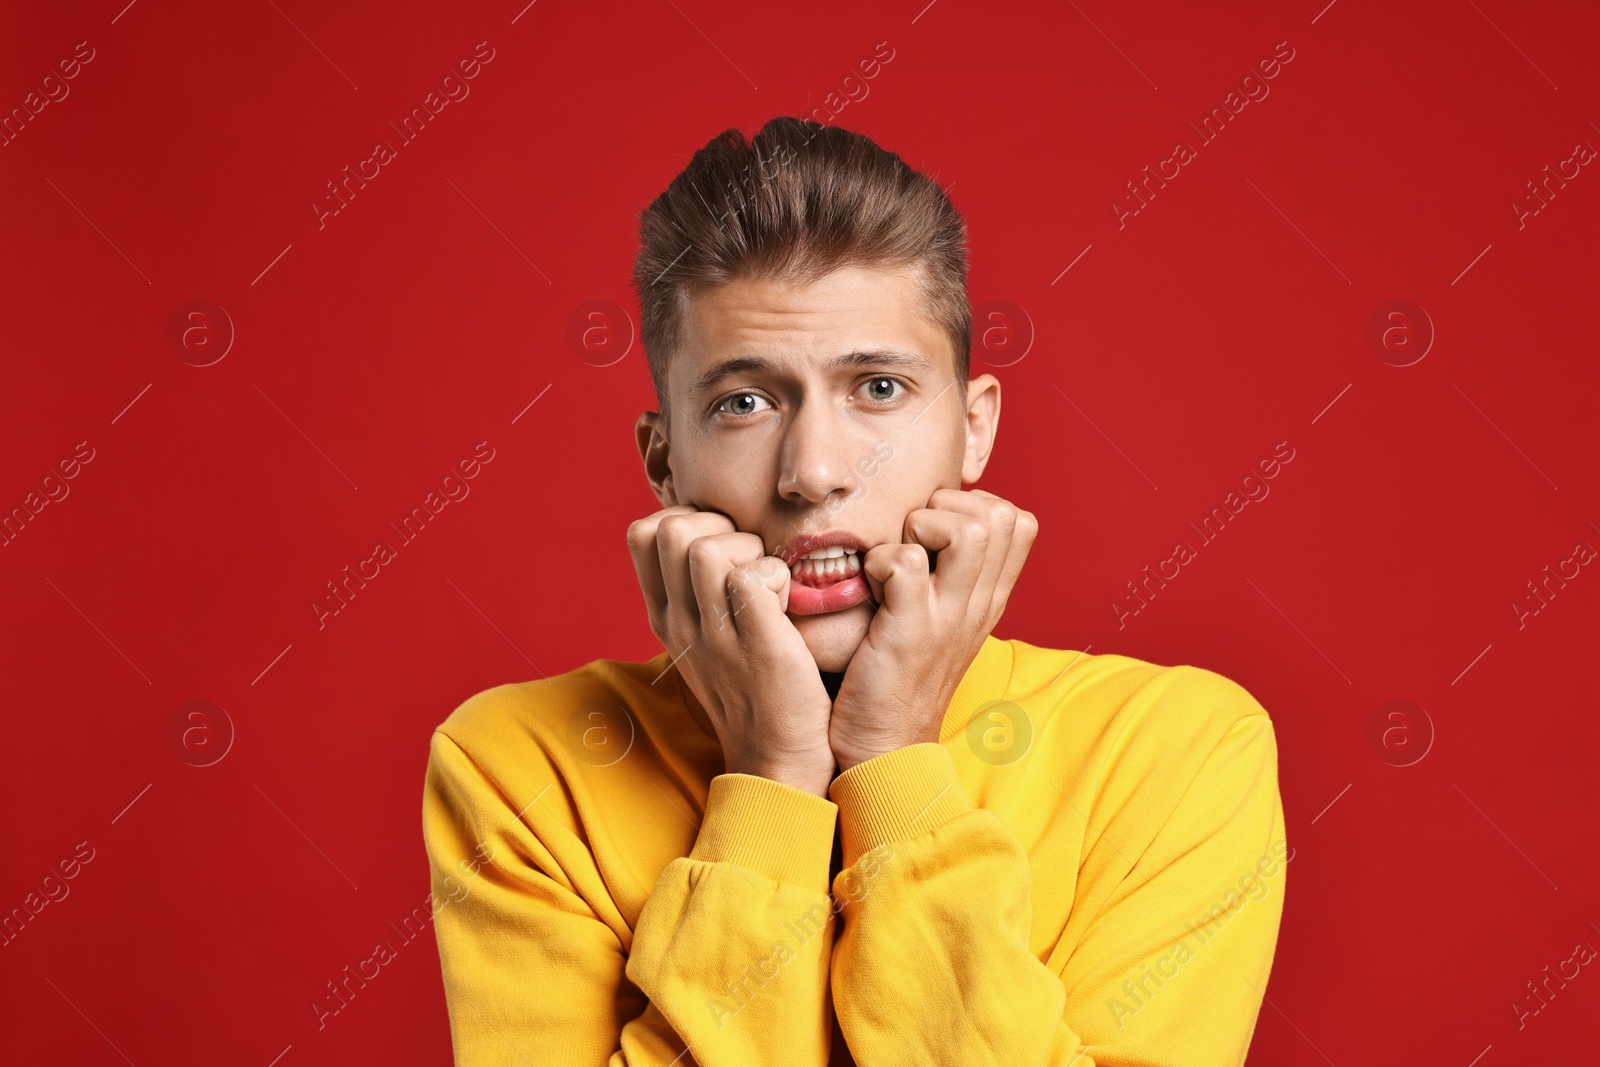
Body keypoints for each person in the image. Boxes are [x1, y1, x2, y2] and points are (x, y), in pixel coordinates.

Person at [421, 116, 1287, 1066]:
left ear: (974, 428)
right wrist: (772, 777)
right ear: (663, 462)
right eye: (743, 402)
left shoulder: (1178, 748)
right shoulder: (522, 765)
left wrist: (891, 760)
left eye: (877, 387)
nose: (814, 472)